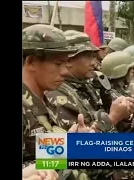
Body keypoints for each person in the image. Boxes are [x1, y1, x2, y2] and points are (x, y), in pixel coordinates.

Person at [22, 24, 98, 180]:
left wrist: (70, 145)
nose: (64, 71)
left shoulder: (42, 103)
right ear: (32, 62)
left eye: (65, 63)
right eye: (58, 64)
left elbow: (40, 157)